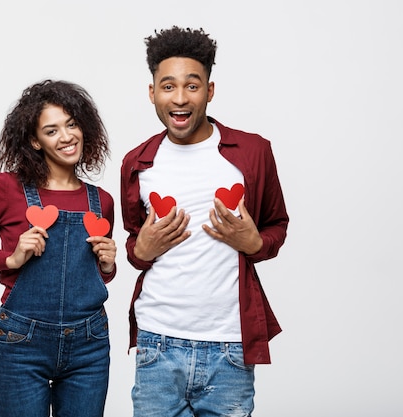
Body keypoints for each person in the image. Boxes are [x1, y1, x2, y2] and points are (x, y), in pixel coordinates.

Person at [120, 26, 289, 417]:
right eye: (168, 86)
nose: (180, 98)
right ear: (152, 93)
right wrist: (139, 252)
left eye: (192, 86)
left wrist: (254, 244)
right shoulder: (137, 162)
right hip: (157, 342)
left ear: (209, 91)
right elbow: (134, 243)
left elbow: (276, 224)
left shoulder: (252, 152)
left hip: (230, 345)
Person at [0, 79, 117, 417]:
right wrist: (10, 258)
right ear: (34, 141)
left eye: (72, 124)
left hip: (89, 343)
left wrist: (108, 266)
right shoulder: (6, 189)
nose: (66, 137)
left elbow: (91, 277)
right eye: (52, 131)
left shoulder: (101, 200)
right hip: (23, 342)